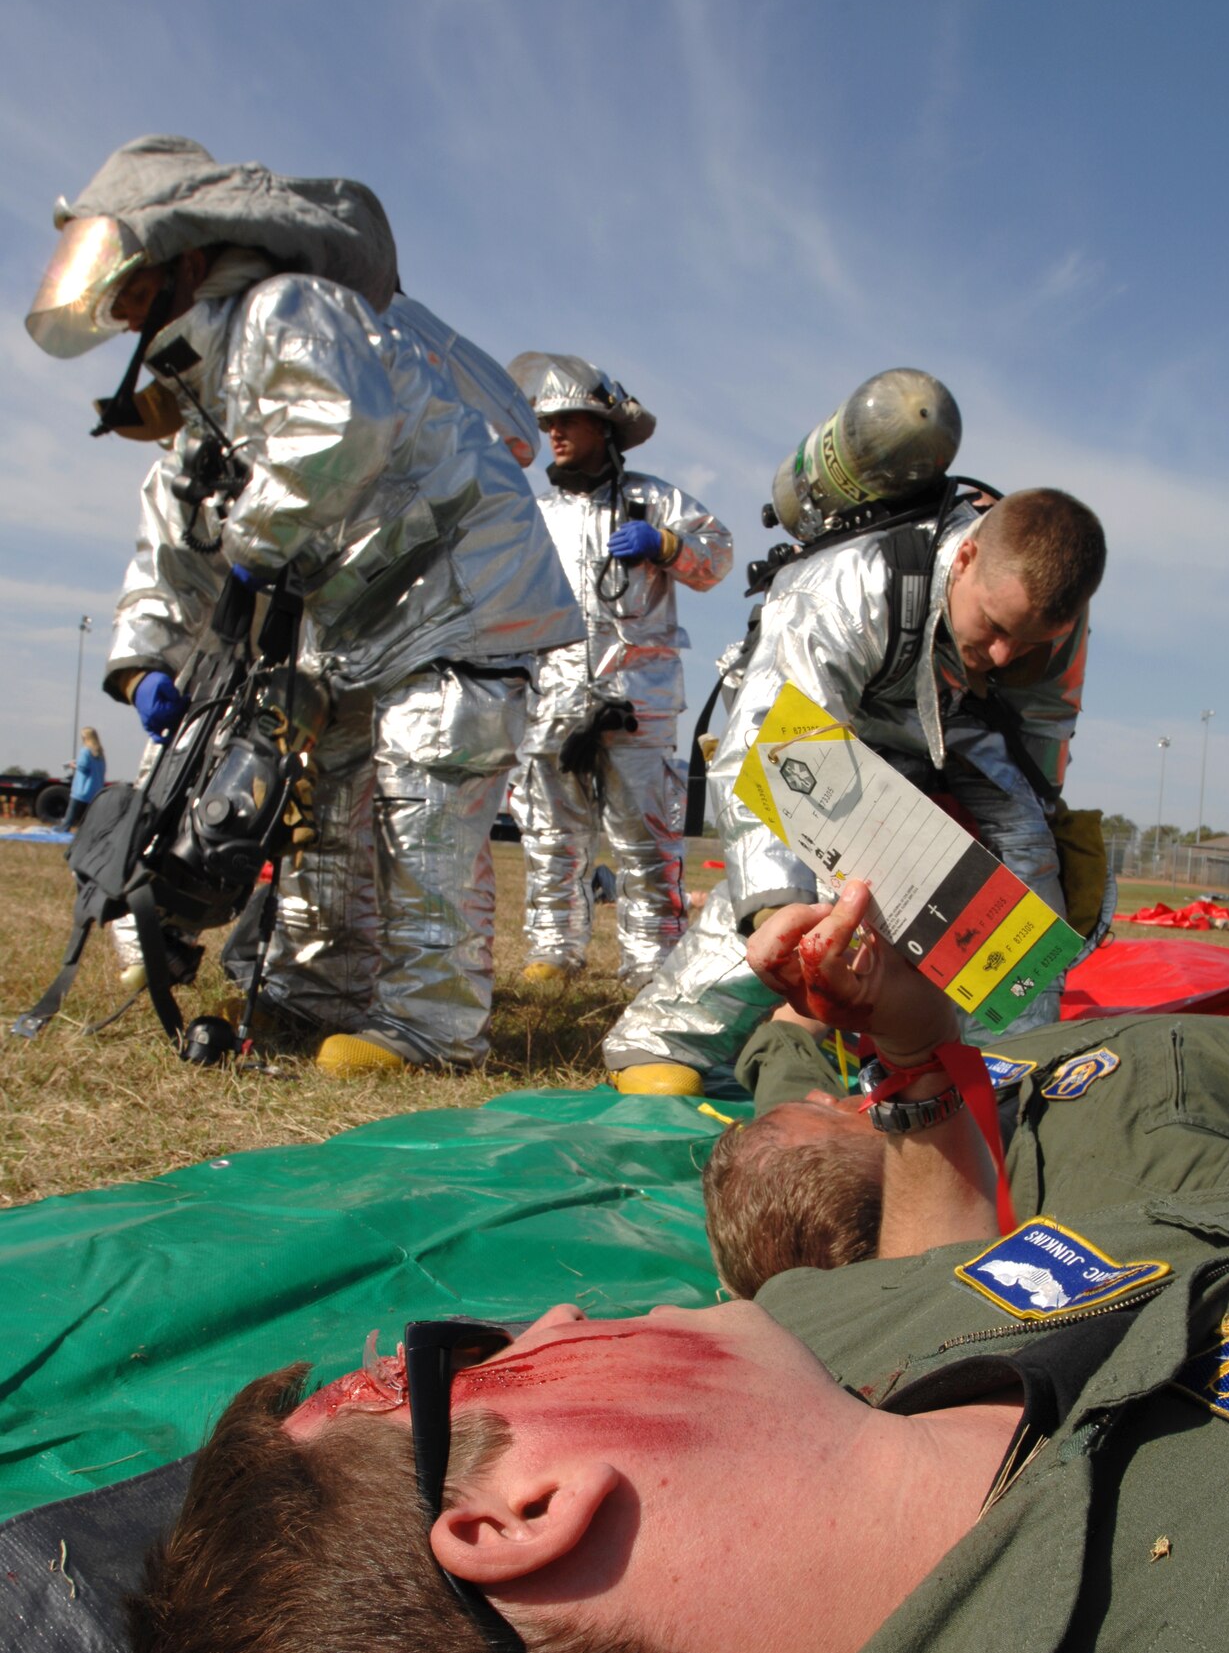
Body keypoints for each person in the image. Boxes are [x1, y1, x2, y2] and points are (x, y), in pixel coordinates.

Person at [126, 882, 1229, 1653]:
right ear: (516, 1515)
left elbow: (934, 1286)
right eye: (465, 1356)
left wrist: (911, 1072)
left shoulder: (805, 1386)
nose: (545, 1320)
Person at [25, 134, 579, 1075]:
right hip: (366, 628)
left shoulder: (289, 310)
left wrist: (251, 553)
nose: (117, 313)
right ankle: (316, 992)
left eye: (125, 280)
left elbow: (340, 429)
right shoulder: (216, 382)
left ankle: (430, 1028)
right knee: (323, 813)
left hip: (454, 602)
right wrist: (148, 660)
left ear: (185, 258)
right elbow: (174, 541)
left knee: (424, 805)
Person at [604, 480, 1106, 1091]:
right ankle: (665, 1038)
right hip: (815, 732)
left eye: (1027, 641)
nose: (1004, 655)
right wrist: (775, 907)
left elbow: (1041, 732)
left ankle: (1006, 1073)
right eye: (996, 627)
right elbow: (769, 749)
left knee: (1024, 883)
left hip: (956, 740)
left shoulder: (1056, 623)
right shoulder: (850, 587)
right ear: (968, 557)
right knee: (819, 883)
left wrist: (1041, 840)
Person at [705, 996, 1229, 1295]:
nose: (834, 1094)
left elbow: (786, 1043)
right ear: (902, 1176)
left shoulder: (820, 1160)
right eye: (845, 1109)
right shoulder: (1135, 1193)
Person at [506, 354, 733, 989]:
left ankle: (653, 963)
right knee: (551, 839)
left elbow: (717, 556)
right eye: (548, 421)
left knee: (647, 843)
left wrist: (665, 545)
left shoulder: (654, 500)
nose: (554, 433)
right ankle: (554, 951)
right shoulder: (536, 516)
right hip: (548, 702)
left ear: (603, 427)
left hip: (638, 704)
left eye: (569, 420)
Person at [60, 726, 106, 830]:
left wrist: (73, 765)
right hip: (95, 791)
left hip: (81, 791)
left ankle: (63, 830)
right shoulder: (100, 753)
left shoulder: (85, 751)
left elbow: (83, 767)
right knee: (88, 821)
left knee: (68, 820)